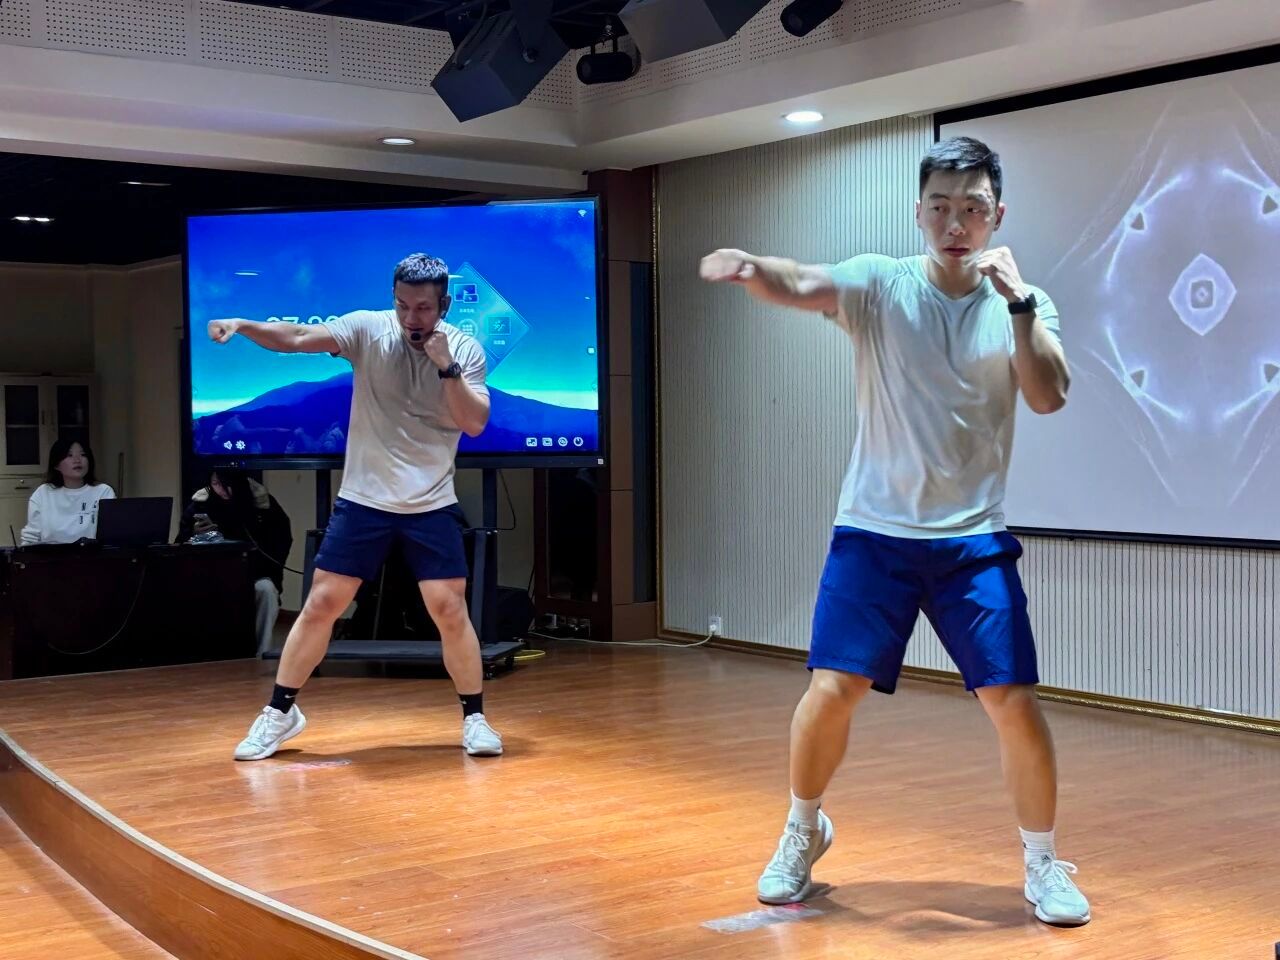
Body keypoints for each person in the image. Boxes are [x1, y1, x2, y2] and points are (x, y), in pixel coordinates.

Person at [699, 137, 1088, 926]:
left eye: (972, 208)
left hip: (971, 541)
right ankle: (803, 830)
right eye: (941, 207)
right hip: (873, 533)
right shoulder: (881, 284)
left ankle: (1044, 863)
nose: (956, 223)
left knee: (1011, 698)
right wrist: (752, 269)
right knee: (831, 689)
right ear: (918, 213)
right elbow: (802, 282)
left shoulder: (1025, 303)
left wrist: (1018, 304)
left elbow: (1048, 394)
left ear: (997, 216)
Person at [207, 253, 503, 760]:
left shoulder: (464, 349)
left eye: (423, 308)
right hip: (364, 498)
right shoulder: (368, 328)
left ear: (444, 306)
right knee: (323, 602)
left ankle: (474, 718)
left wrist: (446, 367)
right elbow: (298, 336)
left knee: (448, 609)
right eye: (403, 305)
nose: (411, 317)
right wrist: (242, 324)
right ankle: (280, 712)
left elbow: (473, 422)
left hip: (431, 501)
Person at [176, 468, 293, 657]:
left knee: (266, 591)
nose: (221, 490)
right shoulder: (200, 504)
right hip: (210, 575)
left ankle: (261, 654)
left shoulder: (263, 505)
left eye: (226, 485)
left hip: (254, 573)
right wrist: (195, 536)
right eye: (215, 484)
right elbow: (180, 545)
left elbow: (280, 543)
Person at [20, 439, 116, 544]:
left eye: (83, 455)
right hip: (51, 554)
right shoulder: (43, 493)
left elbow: (112, 535)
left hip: (92, 553)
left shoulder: (103, 492)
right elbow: (31, 538)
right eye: (69, 455)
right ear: (56, 464)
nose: (77, 460)